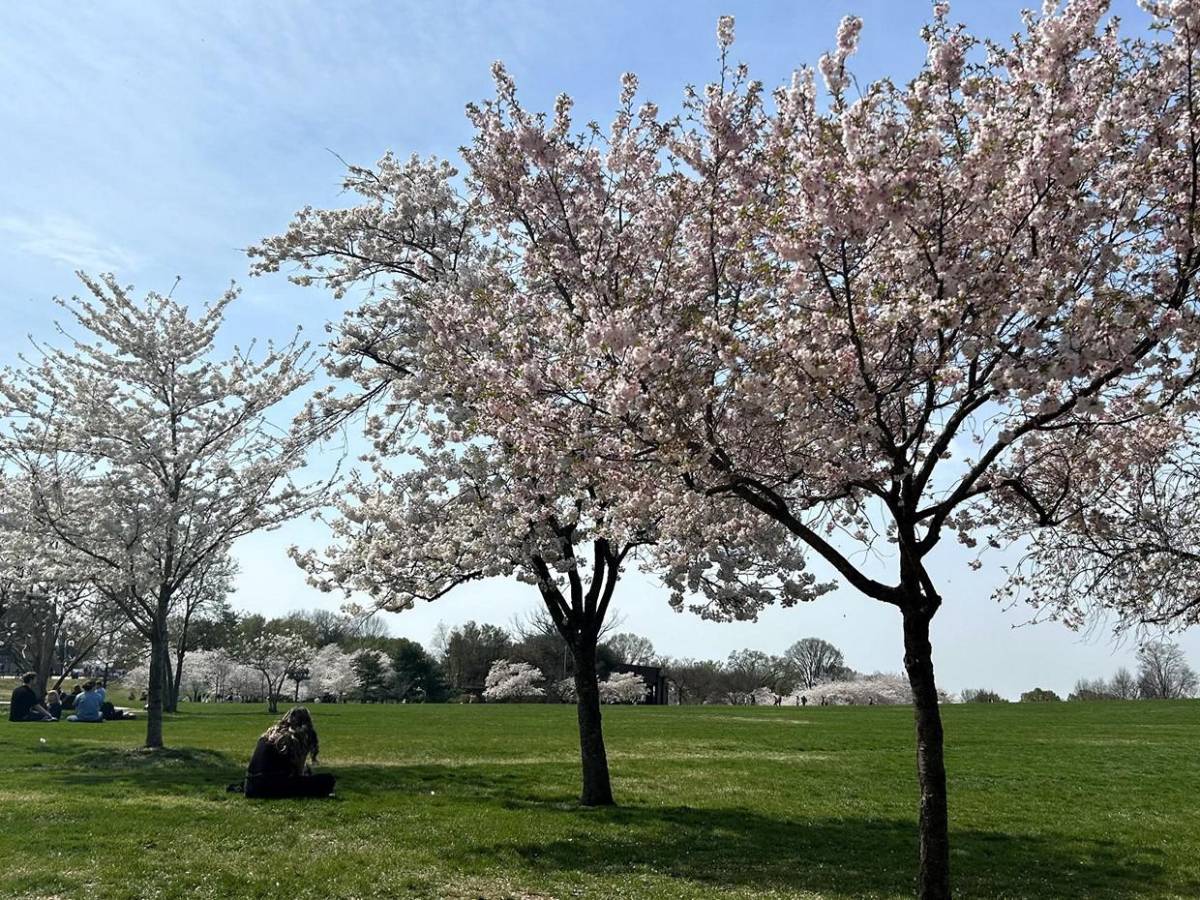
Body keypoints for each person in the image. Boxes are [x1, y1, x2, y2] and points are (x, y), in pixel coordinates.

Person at [237, 707, 336, 799]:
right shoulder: (293, 738)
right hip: (270, 787)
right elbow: (298, 771)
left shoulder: (269, 734)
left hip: (250, 786)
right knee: (328, 779)